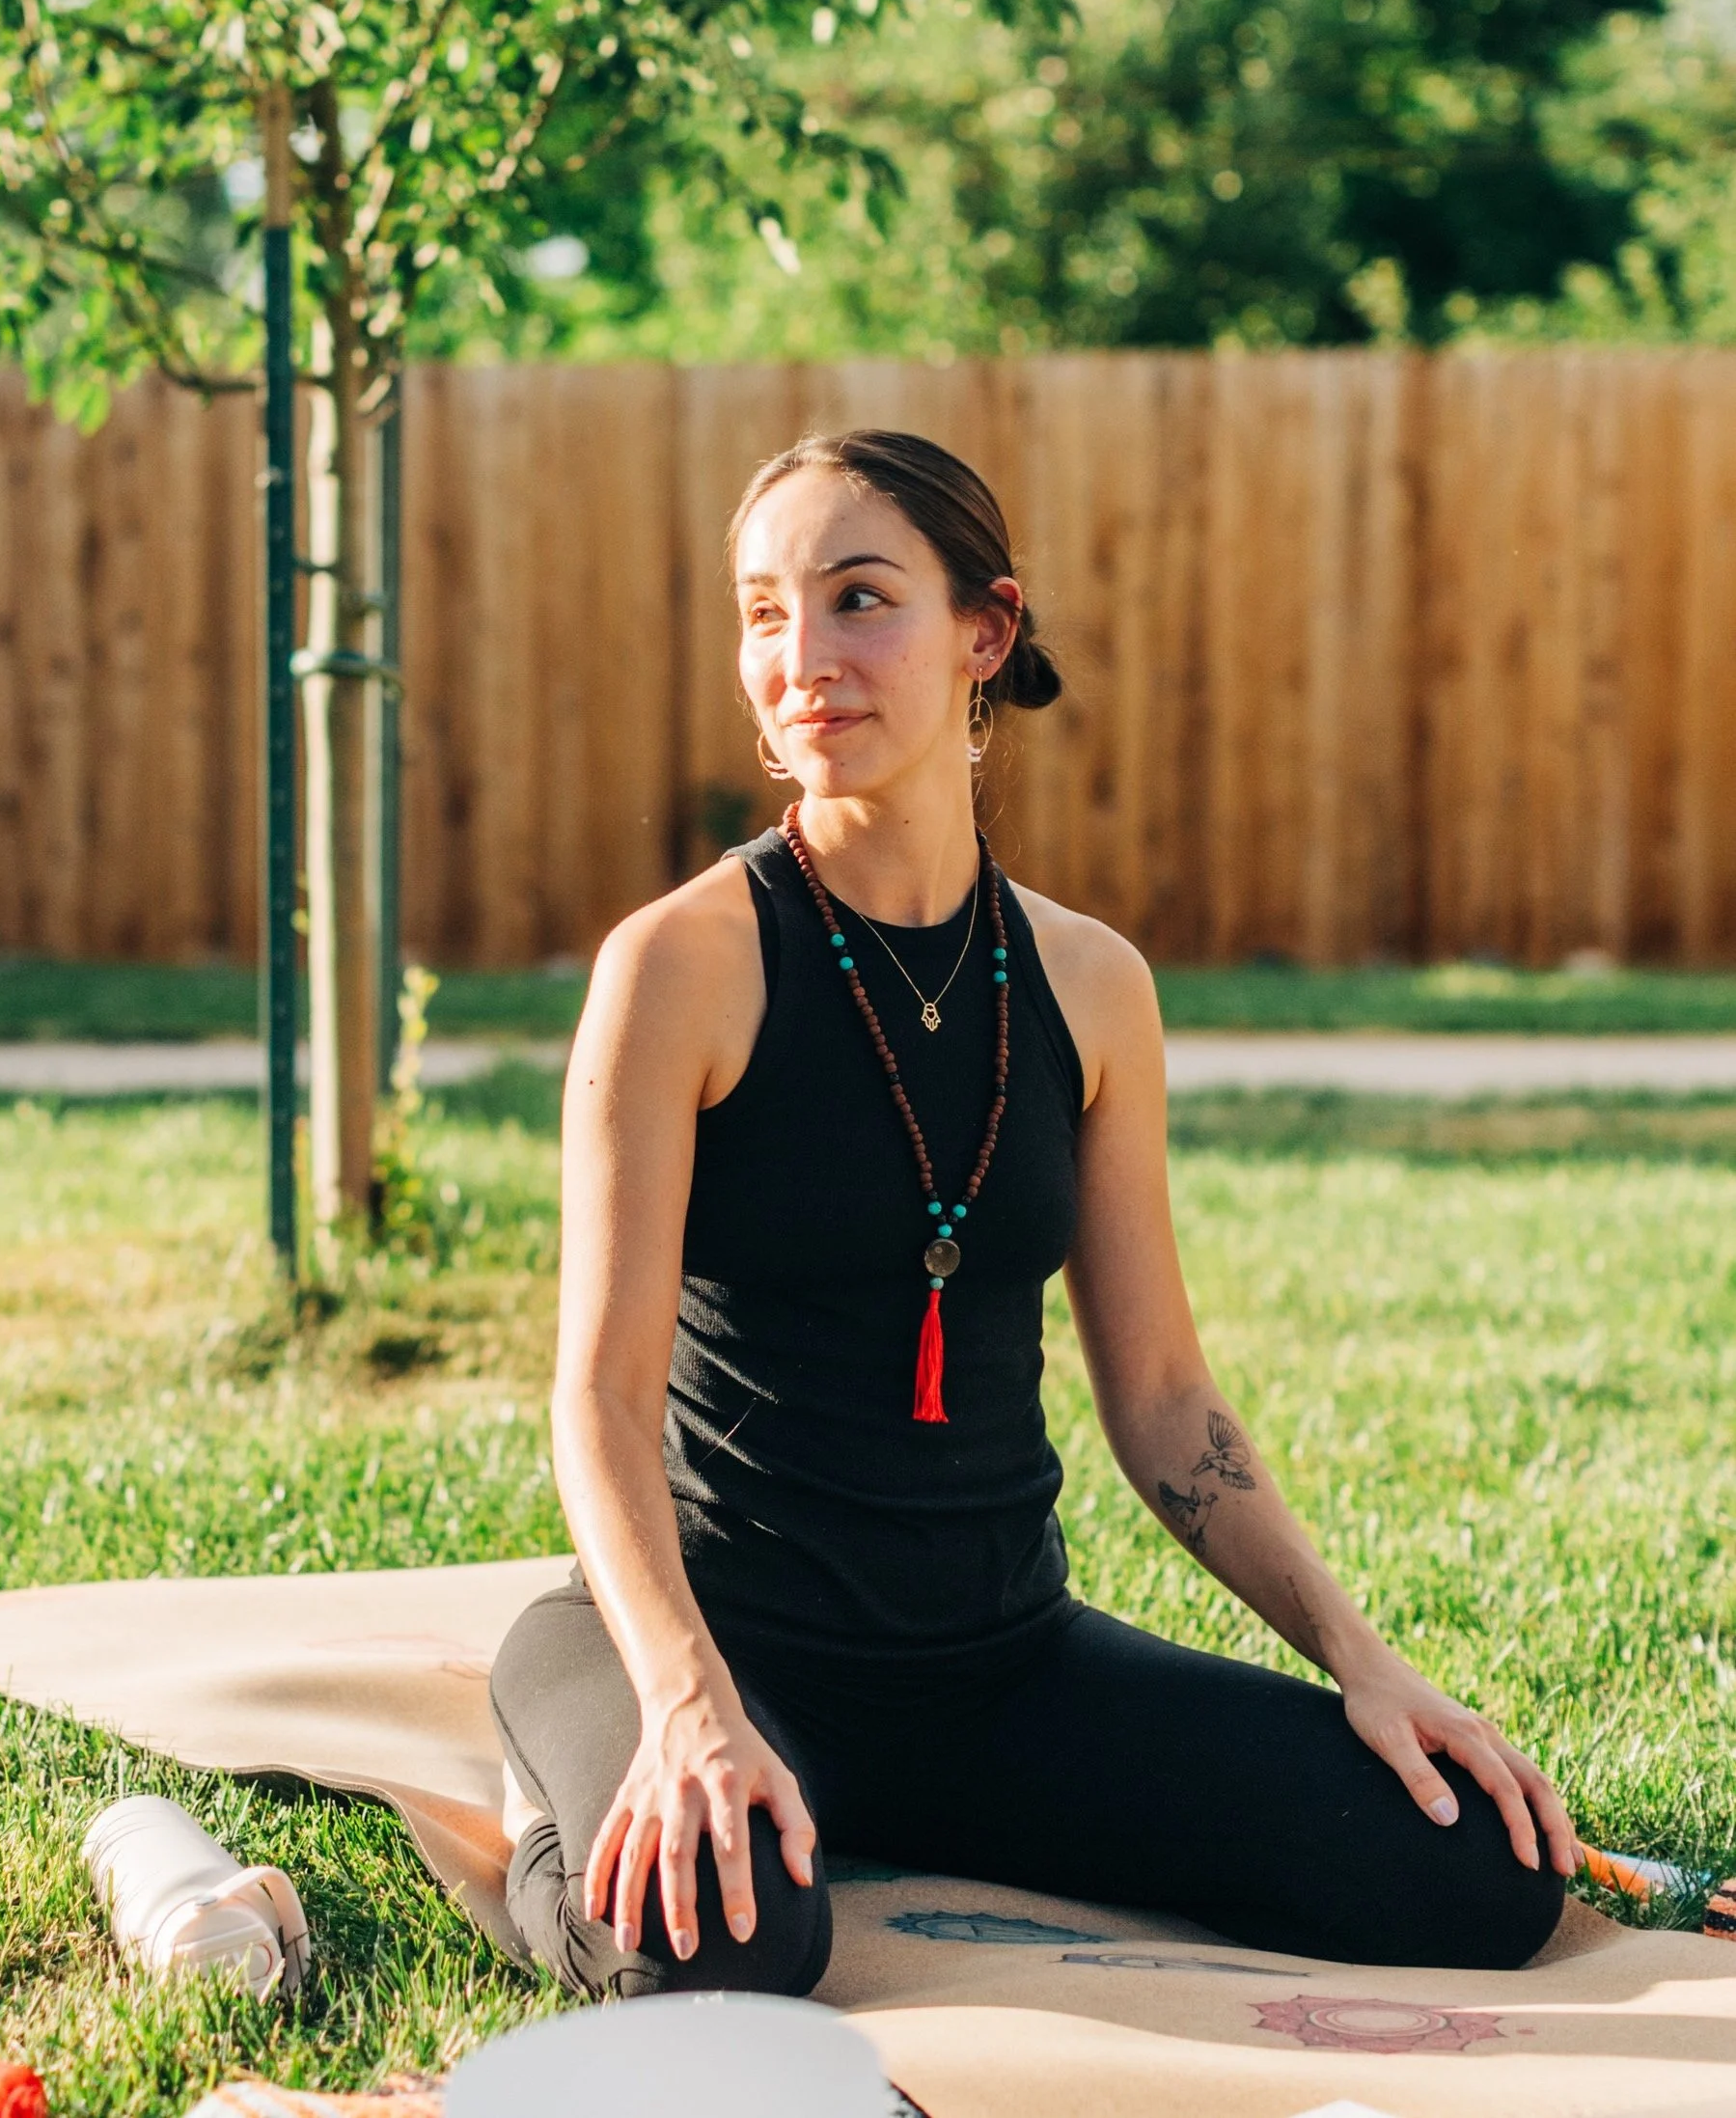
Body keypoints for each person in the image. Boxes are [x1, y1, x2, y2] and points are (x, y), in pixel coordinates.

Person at [489, 428, 1579, 2000]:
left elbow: (1163, 1400)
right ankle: (550, 1813)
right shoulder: (682, 963)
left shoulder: (1087, 984)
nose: (802, 659)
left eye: (858, 600)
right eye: (762, 613)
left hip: (996, 1664)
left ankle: (909, 1810)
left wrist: (1361, 1657)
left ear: (982, 632)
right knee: (721, 1957)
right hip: (718, 1644)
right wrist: (682, 1703)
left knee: (1470, 1868)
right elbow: (595, 1396)